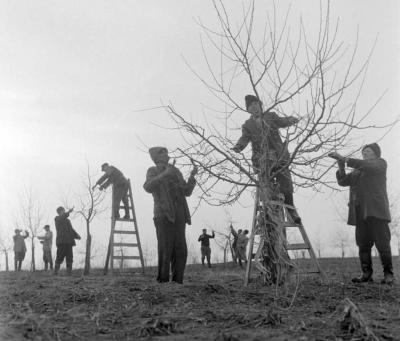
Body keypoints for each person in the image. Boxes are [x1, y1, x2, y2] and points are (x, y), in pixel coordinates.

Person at [331, 143, 394, 285]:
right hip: (360, 213)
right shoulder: (357, 171)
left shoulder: (380, 164)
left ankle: (388, 274)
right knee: (363, 245)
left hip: (376, 211)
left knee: (383, 244)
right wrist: (341, 166)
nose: (364, 153)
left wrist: (346, 159)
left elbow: (367, 166)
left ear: (376, 153)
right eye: (363, 152)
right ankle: (366, 274)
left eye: (368, 151)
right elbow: (343, 181)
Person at [232, 94, 301, 223]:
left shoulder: (270, 116)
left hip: (278, 155)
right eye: (251, 106)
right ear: (248, 110)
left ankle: (291, 211)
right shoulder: (248, 125)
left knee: (285, 180)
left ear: (260, 105)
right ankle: (270, 214)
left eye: (256, 105)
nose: (255, 108)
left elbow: (281, 121)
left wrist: (290, 119)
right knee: (266, 186)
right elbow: (245, 138)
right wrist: (238, 146)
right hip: (262, 159)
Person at [143, 147, 197, 284]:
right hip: (163, 213)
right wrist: (166, 173)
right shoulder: (153, 170)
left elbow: (187, 192)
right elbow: (148, 187)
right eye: (162, 153)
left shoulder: (176, 172)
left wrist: (192, 176)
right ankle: (163, 281)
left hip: (179, 213)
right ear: (156, 158)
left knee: (181, 249)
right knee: (165, 247)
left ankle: (178, 282)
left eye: (166, 152)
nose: (166, 155)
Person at [54, 207, 81, 275]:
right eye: (62, 211)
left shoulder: (68, 221)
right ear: (59, 212)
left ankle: (69, 272)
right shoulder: (57, 218)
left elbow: (71, 229)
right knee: (60, 257)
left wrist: (76, 235)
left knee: (69, 257)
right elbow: (62, 217)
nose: (64, 212)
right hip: (61, 241)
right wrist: (69, 212)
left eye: (64, 211)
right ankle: (55, 272)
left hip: (69, 241)